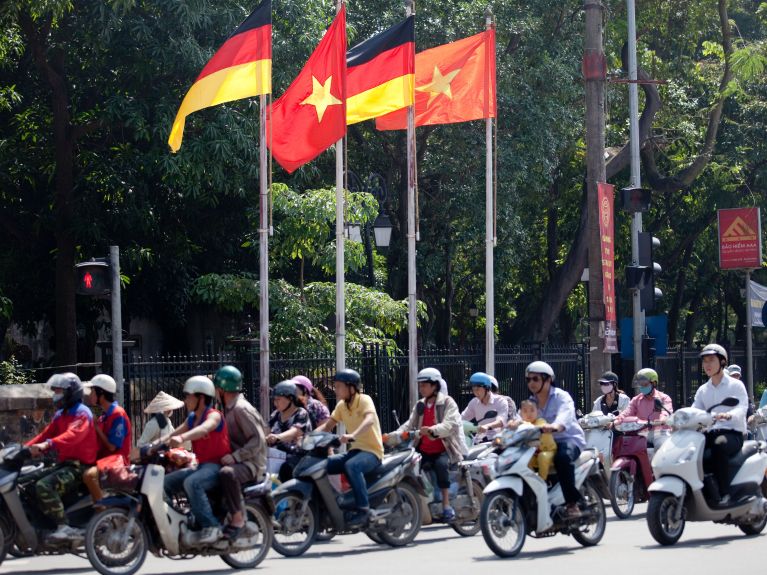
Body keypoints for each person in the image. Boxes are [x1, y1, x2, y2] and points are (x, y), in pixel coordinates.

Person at [25, 373, 99, 540]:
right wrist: (22, 450)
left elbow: (73, 435)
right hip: (64, 464)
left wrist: (48, 444)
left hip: (80, 467)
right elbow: (45, 435)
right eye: (55, 391)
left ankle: (63, 525)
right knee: (26, 482)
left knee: (44, 486)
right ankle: (41, 523)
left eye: (59, 391)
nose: (55, 395)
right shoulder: (61, 415)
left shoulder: (82, 413)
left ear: (70, 393)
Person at [512, 361, 585, 519]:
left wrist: (556, 425)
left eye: (536, 379)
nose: (531, 383)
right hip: (542, 444)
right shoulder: (531, 402)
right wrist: (512, 424)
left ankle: (572, 504)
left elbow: (565, 415)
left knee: (562, 458)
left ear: (548, 379)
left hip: (568, 440)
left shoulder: (561, 397)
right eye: (528, 379)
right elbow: (521, 417)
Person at [164, 375, 231, 544]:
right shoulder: (192, 418)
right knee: (164, 483)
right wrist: (153, 445)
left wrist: (183, 438)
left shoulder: (214, 415)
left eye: (188, 396)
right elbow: (173, 434)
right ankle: (183, 521)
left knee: (192, 483)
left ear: (201, 397)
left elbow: (204, 429)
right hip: (201, 466)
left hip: (215, 466)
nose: (186, 400)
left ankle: (212, 526)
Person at [394, 367, 467, 522]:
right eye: (420, 385)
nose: (421, 388)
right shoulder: (420, 405)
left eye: (424, 385)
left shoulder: (447, 402)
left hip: (444, 449)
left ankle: (446, 505)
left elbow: (450, 424)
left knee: (441, 466)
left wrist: (432, 430)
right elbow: (409, 424)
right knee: (408, 468)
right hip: (423, 450)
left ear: (435, 386)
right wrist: (393, 436)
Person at [315, 369, 384, 528]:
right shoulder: (341, 406)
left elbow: (369, 420)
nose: (336, 389)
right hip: (355, 452)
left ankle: (363, 510)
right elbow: (327, 426)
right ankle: (333, 504)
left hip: (372, 452)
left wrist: (353, 434)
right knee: (322, 465)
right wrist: (307, 437)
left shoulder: (364, 400)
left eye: (339, 386)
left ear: (351, 388)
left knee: (351, 465)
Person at [213, 365, 268, 540]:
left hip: (251, 463)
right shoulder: (227, 409)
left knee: (227, 474)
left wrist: (236, 456)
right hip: (239, 461)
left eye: (216, 388)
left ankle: (239, 520)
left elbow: (258, 439)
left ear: (222, 389)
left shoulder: (240, 409)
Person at [694, 344, 748, 506]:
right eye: (704, 361)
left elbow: (742, 407)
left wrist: (729, 414)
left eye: (711, 360)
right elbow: (695, 410)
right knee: (692, 450)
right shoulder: (703, 390)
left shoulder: (736, 385)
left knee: (719, 445)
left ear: (722, 362)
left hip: (733, 434)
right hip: (710, 432)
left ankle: (725, 493)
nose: (707, 365)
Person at [82, 374, 131, 504]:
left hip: (115, 463)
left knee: (89, 475)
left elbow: (112, 446)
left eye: (93, 391)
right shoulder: (104, 416)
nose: (90, 395)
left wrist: (96, 426)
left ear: (101, 393)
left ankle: (101, 509)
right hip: (103, 461)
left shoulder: (117, 414)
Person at [266, 380, 312, 482]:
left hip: (297, 457)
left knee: (285, 469)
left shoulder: (301, 413)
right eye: (274, 400)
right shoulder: (276, 414)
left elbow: (295, 431)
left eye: (278, 399)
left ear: (290, 399)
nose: (275, 403)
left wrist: (277, 437)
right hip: (276, 457)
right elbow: (265, 430)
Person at [461, 372, 509, 441]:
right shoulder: (474, 402)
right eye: (473, 390)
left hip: (495, 440)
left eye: (478, 389)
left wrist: (487, 426)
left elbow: (501, 421)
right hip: (479, 440)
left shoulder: (500, 401)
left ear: (487, 388)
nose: (475, 393)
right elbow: (463, 418)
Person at [518, 399, 557, 480]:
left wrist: (520, 424)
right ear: (520, 413)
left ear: (538, 412)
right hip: (532, 454)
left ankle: (542, 481)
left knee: (542, 457)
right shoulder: (520, 425)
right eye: (525, 411)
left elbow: (532, 428)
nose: (529, 414)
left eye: (532, 410)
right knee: (521, 459)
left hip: (548, 451)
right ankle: (530, 481)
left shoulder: (540, 422)